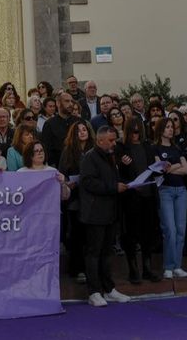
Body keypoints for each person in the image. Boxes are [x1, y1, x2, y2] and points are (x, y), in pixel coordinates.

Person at [79, 127, 132, 308]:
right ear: (100, 140)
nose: (114, 143)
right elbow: (87, 182)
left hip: (110, 212)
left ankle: (109, 289)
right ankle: (94, 292)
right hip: (94, 213)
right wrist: (113, 187)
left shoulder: (110, 156)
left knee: (106, 253)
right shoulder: (90, 157)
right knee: (94, 253)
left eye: (114, 140)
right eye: (110, 140)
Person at [116, 117, 161, 283]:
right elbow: (117, 171)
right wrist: (123, 164)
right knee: (130, 234)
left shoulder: (147, 146)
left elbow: (152, 168)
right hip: (131, 196)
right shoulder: (121, 147)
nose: (135, 134)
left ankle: (147, 268)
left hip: (148, 194)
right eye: (133, 131)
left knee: (148, 233)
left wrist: (162, 168)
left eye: (138, 131)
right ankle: (133, 269)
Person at [151, 117, 187, 279]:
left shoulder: (176, 147)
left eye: (171, 127)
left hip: (181, 190)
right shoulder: (155, 148)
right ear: (160, 129)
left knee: (181, 230)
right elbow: (161, 169)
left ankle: (177, 266)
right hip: (165, 191)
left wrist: (171, 167)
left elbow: (186, 169)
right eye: (167, 127)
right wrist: (176, 166)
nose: (170, 129)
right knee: (170, 230)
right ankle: (168, 265)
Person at [59, 121, 93, 283]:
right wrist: (67, 183)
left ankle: (92, 269)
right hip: (75, 198)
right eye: (78, 130)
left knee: (91, 236)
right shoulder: (68, 151)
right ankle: (78, 268)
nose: (82, 132)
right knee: (77, 235)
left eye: (84, 129)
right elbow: (62, 174)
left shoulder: (95, 149)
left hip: (93, 197)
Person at [42, 92, 84, 170]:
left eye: (71, 101)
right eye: (67, 101)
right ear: (58, 103)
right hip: (59, 167)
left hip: (80, 166)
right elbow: (47, 149)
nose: (71, 104)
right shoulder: (49, 124)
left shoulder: (79, 121)